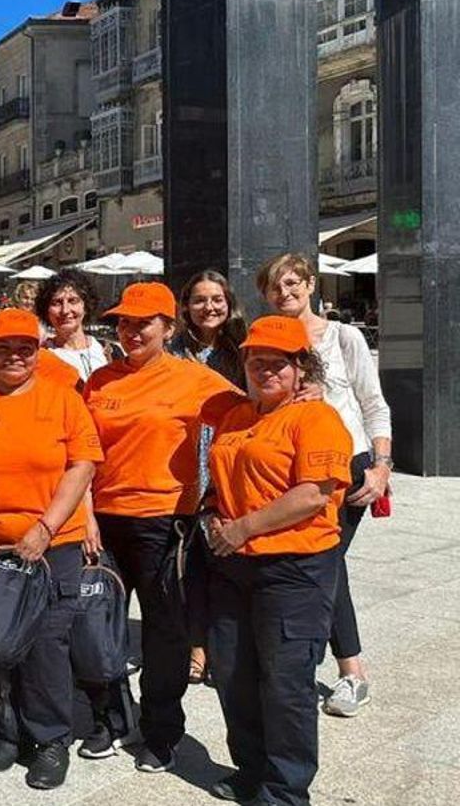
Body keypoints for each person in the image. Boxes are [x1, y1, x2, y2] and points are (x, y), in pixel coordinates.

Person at [81, 282, 247, 772]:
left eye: (142, 323)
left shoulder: (195, 380)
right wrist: (86, 515)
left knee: (164, 632)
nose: (130, 332)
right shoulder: (101, 381)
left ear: (168, 327)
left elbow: (250, 409)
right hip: (102, 523)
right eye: (124, 323)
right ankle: (110, 718)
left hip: (164, 524)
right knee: (97, 628)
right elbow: (84, 455)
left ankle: (160, 730)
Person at [0, 309, 102, 790]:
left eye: (25, 348)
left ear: (38, 351)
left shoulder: (62, 398)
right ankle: (6, 731)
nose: (14, 356)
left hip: (52, 544)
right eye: (4, 347)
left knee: (47, 644)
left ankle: (50, 738)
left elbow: (83, 464)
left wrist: (46, 528)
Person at [203, 315, 353, 806]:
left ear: (300, 368)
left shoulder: (317, 417)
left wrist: (243, 528)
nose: (265, 371)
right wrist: (211, 516)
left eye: (277, 363)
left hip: (294, 569)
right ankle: (252, 768)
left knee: (286, 682)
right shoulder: (236, 414)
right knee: (233, 672)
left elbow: (314, 494)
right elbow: (220, 479)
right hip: (232, 566)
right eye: (256, 361)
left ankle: (286, 790)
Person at [257, 253, 391, 718]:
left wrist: (381, 467)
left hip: (344, 465)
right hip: (290, 467)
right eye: (276, 287)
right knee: (318, 562)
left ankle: (351, 672)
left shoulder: (342, 336)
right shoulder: (267, 341)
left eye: (293, 282)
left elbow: (374, 404)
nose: (285, 292)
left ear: (311, 284)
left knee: (325, 562)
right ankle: (309, 656)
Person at [167, 269, 248, 684]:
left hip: (229, 462)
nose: (208, 307)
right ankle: (196, 647)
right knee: (191, 564)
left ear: (228, 302)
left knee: (223, 561)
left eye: (216, 299)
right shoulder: (173, 350)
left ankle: (221, 646)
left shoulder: (243, 349)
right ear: (186, 307)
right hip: (183, 461)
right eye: (199, 300)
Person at [37, 269, 113, 380]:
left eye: (73, 301)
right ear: (46, 310)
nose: (65, 310)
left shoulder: (108, 350)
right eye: (56, 303)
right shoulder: (39, 357)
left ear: (86, 306)